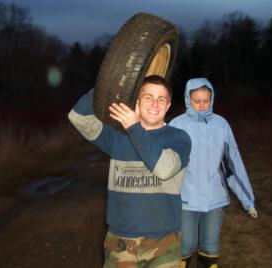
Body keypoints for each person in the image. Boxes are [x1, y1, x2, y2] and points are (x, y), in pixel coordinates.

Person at [68, 75, 192, 267]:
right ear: (136, 101)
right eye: (148, 97)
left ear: (168, 106)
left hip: (164, 242)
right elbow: (78, 117)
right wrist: (112, 81)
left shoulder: (178, 138)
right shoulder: (118, 136)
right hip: (120, 243)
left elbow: (165, 169)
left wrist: (134, 127)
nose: (155, 104)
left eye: (161, 99)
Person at [169, 78, 258, 268]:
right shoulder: (177, 125)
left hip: (215, 197)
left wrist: (247, 199)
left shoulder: (221, 125)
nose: (202, 105)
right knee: (185, 245)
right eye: (197, 101)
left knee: (210, 246)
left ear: (212, 99)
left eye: (206, 100)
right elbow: (163, 163)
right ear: (188, 99)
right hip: (185, 197)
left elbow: (233, 162)